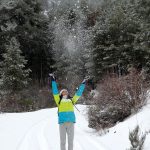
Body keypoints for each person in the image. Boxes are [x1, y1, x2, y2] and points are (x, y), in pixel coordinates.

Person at [49, 73, 88, 150]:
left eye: (66, 91)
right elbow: (55, 91)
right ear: (61, 94)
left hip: (70, 122)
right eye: (63, 91)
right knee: (62, 141)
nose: (65, 92)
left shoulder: (72, 100)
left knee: (70, 141)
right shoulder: (58, 100)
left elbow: (78, 93)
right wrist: (53, 81)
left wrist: (83, 83)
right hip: (62, 123)